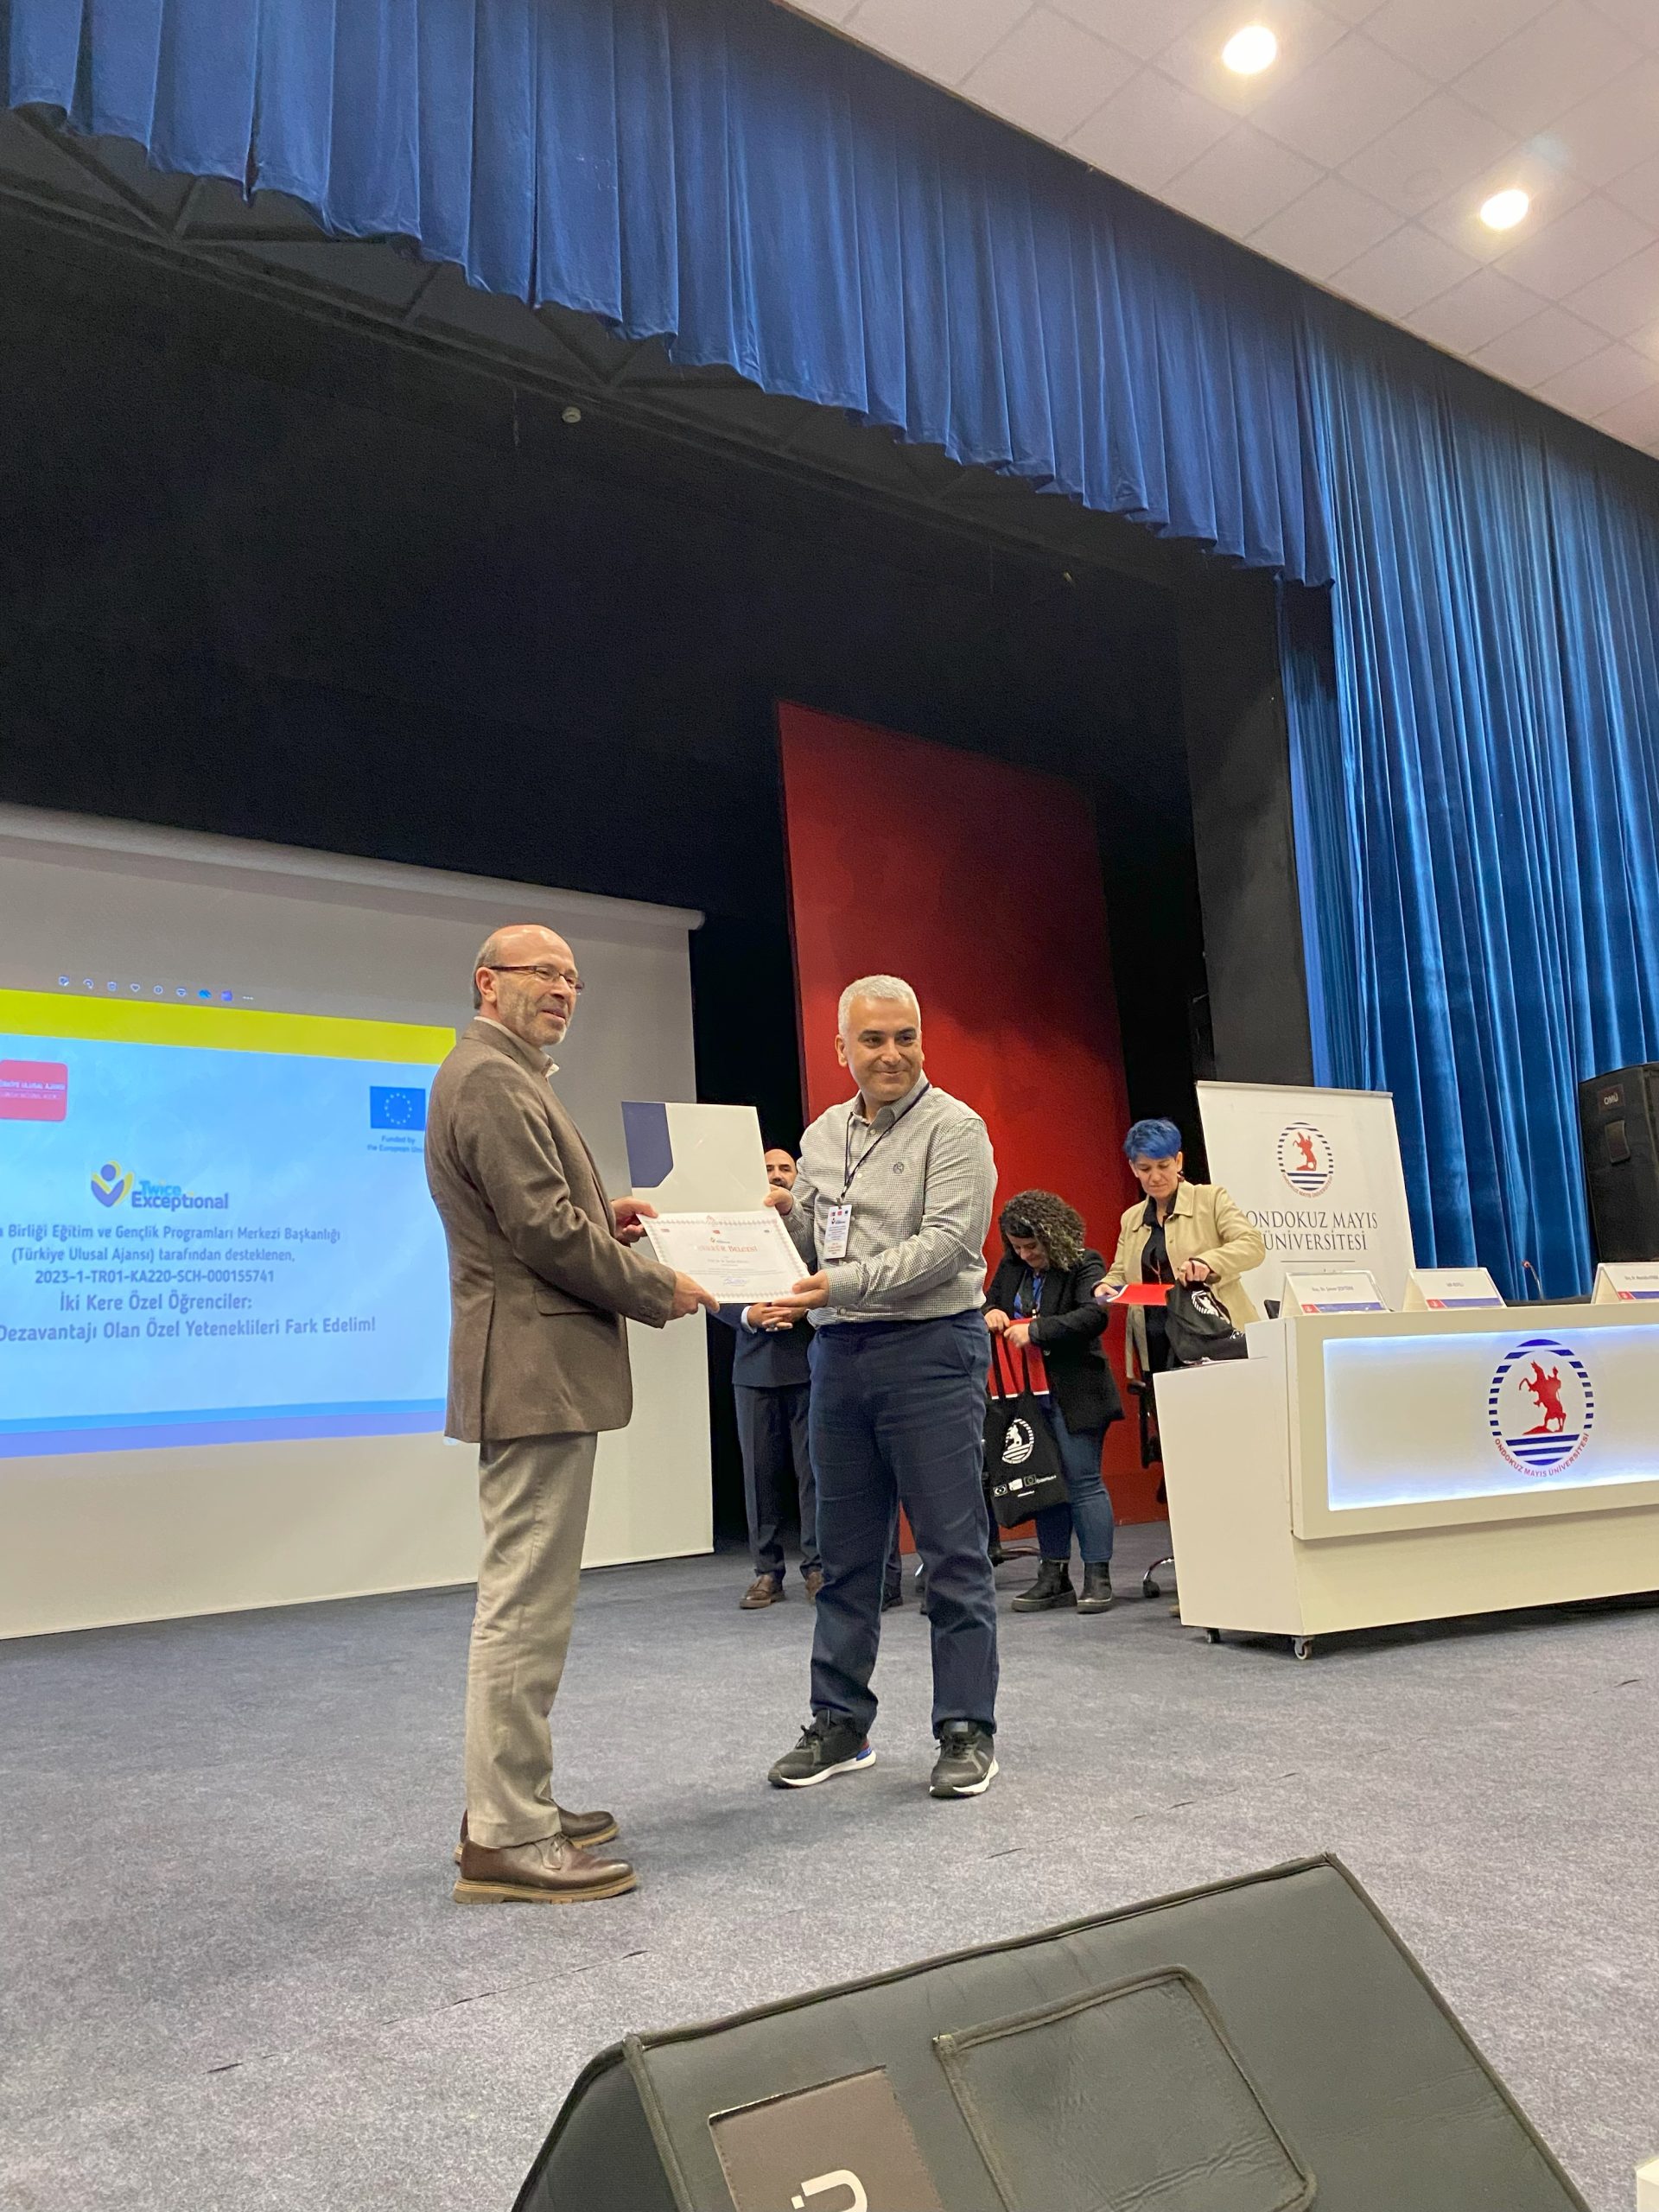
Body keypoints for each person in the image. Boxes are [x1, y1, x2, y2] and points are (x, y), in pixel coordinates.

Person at [425, 923, 715, 1904]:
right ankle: (508, 1835)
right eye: (543, 972)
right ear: (487, 982)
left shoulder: (502, 1075)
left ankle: (514, 1803)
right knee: (525, 1606)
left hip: (535, 1367)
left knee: (528, 1600)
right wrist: (655, 1284)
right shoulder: (492, 1079)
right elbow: (543, 1233)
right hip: (533, 1370)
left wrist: (606, 1220)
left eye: (574, 978)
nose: (562, 989)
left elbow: (544, 1219)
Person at [756, 976, 1001, 1800]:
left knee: (952, 1553)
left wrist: (837, 1285)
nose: (892, 1054)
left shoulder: (956, 1128)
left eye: (905, 1037)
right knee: (845, 1556)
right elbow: (814, 1241)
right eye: (873, 1040)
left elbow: (947, 1245)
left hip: (931, 1349)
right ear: (842, 1049)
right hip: (839, 1355)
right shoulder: (822, 1134)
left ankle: (966, 1727)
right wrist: (778, 1220)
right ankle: (839, 1722)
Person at [983, 1190, 1123, 1618]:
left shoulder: (1085, 1263)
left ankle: (1097, 1576)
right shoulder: (1012, 1267)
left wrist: (1037, 1330)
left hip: (1076, 1389)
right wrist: (991, 1312)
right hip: (1027, 1396)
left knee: (1082, 1482)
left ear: (1053, 1236)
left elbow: (1095, 1315)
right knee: (1044, 1481)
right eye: (1018, 1247)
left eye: (1033, 1247)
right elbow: (991, 1301)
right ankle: (1053, 1576)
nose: (1025, 1255)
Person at [715, 1147, 820, 1610]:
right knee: (759, 1476)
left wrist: (804, 1310)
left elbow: (831, 1277)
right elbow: (715, 1287)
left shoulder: (812, 1226)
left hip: (809, 1362)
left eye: (785, 1168)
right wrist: (749, 1316)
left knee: (813, 1473)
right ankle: (766, 1572)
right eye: (768, 1169)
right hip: (753, 1368)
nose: (777, 1175)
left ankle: (817, 1567)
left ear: (797, 1176)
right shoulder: (733, 1227)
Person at [1094, 1118, 1265, 1378]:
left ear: (1179, 1161)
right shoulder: (1131, 1218)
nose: (1155, 1177)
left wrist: (1208, 1262)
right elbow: (1121, 1271)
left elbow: (1253, 1245)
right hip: (1156, 1343)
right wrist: (1106, 1285)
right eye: (1145, 1168)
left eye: (1163, 1165)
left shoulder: (1211, 1199)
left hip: (1215, 1339)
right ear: (1133, 1168)